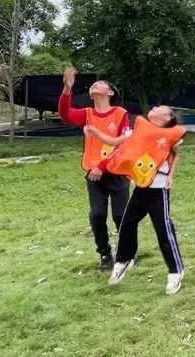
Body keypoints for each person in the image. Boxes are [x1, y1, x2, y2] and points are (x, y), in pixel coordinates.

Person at [85, 105, 186, 294]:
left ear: (166, 117)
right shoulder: (137, 129)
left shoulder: (170, 134)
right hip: (140, 189)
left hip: (158, 190)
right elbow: (114, 141)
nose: (154, 107)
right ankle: (124, 260)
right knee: (127, 223)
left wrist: (171, 175)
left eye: (159, 107)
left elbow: (175, 154)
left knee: (163, 230)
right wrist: (94, 132)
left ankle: (176, 272)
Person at [57, 68, 130, 271]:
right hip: (93, 175)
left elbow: (123, 145)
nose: (95, 85)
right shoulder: (87, 114)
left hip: (117, 172)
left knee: (120, 215)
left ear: (110, 93)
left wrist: (102, 165)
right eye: (93, 84)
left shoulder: (120, 114)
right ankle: (105, 254)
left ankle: (126, 254)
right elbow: (65, 113)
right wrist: (67, 89)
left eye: (101, 83)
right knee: (97, 215)